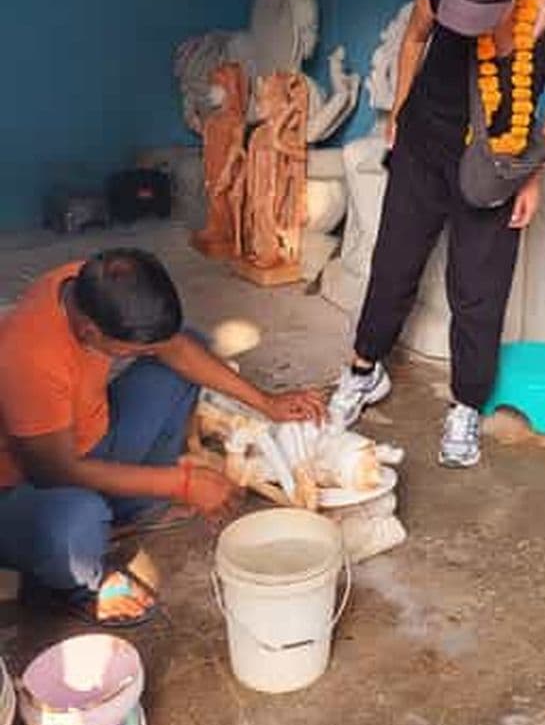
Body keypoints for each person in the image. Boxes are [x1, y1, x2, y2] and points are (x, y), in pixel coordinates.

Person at [328, 0, 545, 467]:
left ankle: (467, 404)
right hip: (423, 148)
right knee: (393, 265)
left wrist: (533, 177)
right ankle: (362, 369)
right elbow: (415, 36)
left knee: (478, 290)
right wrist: (398, 110)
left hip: (492, 167)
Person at [0, 248, 325, 626]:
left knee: (189, 349)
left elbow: (175, 348)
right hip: (28, 489)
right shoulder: (28, 355)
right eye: (133, 351)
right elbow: (54, 471)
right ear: (91, 331)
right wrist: (181, 483)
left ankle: (129, 512)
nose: (148, 352)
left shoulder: (91, 283)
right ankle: (74, 587)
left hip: (92, 442)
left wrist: (267, 402)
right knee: (76, 523)